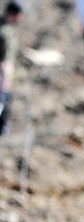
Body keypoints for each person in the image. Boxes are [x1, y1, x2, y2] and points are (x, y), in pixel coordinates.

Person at [0, 0, 23, 136]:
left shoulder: (8, 28)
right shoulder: (2, 29)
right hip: (2, 72)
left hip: (6, 72)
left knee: (5, 101)